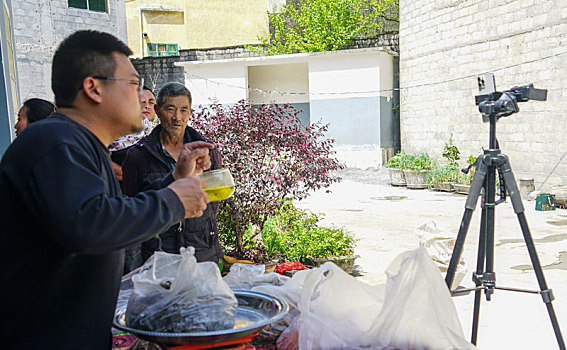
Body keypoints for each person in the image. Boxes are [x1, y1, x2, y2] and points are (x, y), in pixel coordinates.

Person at [0, 30, 213, 349]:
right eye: (132, 83)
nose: (144, 98)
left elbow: (114, 214)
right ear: (93, 88)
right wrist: (173, 200)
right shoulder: (54, 143)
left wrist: (174, 180)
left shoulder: (79, 145)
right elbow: (89, 226)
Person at [123, 82, 224, 266]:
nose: (177, 117)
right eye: (170, 109)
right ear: (158, 111)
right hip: (159, 254)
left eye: (183, 110)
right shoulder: (137, 155)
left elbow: (213, 204)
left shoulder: (206, 150)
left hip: (202, 253)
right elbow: (133, 208)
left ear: (190, 113)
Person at [109, 86, 157, 182]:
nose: (147, 106)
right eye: (141, 102)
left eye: (151, 102)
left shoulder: (158, 135)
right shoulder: (113, 129)